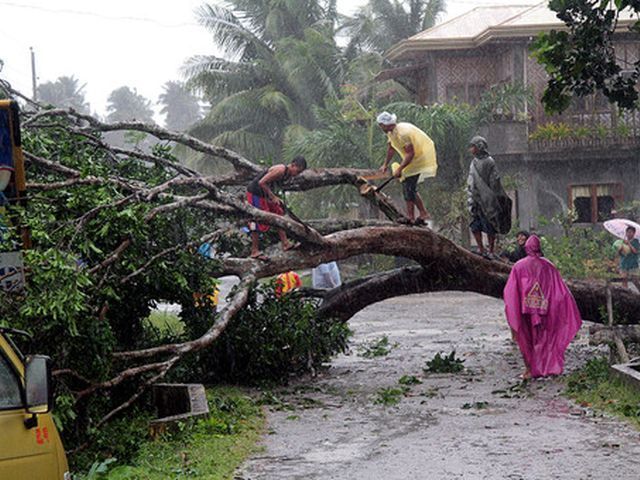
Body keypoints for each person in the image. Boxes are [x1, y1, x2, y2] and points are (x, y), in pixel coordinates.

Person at [503, 235, 582, 379]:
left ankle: (529, 370)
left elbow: (511, 291)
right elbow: (559, 290)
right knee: (546, 339)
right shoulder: (549, 266)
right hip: (545, 309)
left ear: (526, 248)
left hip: (525, 310)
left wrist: (514, 307)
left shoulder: (519, 266)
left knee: (526, 340)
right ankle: (548, 367)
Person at [377, 111, 437, 225]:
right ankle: (423, 213)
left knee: (408, 187)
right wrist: (385, 164)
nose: (380, 128)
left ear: (387, 124)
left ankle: (411, 217)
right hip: (411, 160)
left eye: (381, 125)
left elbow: (410, 153)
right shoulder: (391, 133)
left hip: (417, 160)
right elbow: (391, 148)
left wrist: (400, 169)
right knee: (410, 188)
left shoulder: (402, 133)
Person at [246, 157, 307, 260]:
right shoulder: (280, 170)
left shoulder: (287, 175)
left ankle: (285, 244)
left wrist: (275, 198)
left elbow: (272, 185)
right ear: (293, 165)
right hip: (255, 193)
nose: (297, 174)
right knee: (257, 220)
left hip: (265, 195)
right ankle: (254, 251)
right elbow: (262, 182)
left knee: (279, 213)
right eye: (297, 171)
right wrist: (273, 197)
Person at [467, 136, 509, 258]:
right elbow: (471, 179)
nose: (471, 149)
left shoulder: (489, 161)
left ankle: (491, 250)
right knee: (474, 225)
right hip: (475, 198)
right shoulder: (473, 162)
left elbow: (495, 180)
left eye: (473, 146)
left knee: (490, 225)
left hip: (487, 199)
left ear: (479, 147)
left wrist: (493, 196)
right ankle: (481, 249)